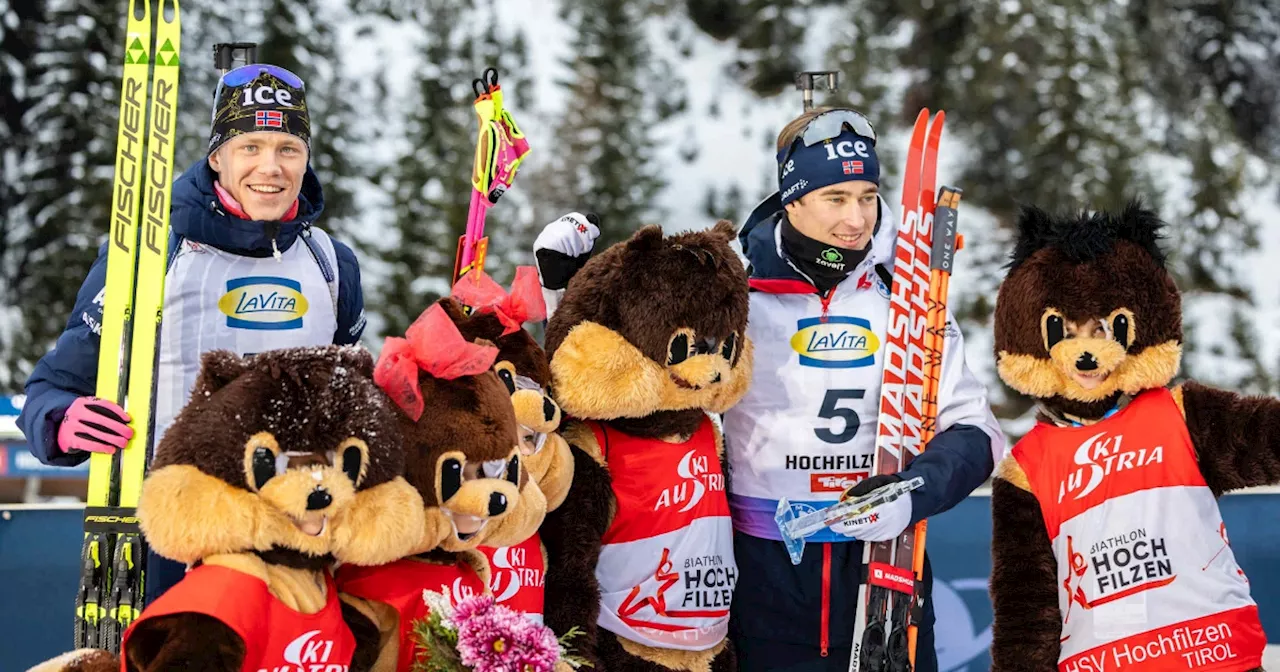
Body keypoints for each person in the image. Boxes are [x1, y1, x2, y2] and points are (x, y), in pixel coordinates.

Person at [532, 107, 1006, 671]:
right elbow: (629, 378)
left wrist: (912, 492)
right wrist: (559, 298)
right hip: (763, 574)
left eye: (867, 195)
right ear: (793, 198)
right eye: (836, 198)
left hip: (887, 565)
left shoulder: (905, 289)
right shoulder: (733, 291)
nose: (856, 219)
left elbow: (976, 430)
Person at [17, 62, 367, 602]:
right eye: (250, 146)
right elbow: (51, 388)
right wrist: (63, 421)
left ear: (306, 159)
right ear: (217, 157)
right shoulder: (149, 255)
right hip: (173, 530)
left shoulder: (330, 262)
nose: (270, 167)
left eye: (287, 148)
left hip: (296, 529)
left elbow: (352, 396)